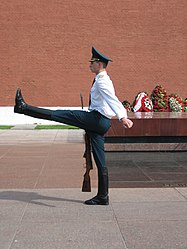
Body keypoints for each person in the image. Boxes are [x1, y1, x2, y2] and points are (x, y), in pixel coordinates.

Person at [14, 47, 133, 205]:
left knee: (61, 115)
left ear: (99, 64)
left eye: (92, 62)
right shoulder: (102, 78)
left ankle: (23, 108)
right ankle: (103, 196)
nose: (90, 64)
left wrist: (123, 116)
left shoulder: (103, 81)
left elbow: (112, 99)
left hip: (96, 119)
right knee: (100, 160)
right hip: (100, 123)